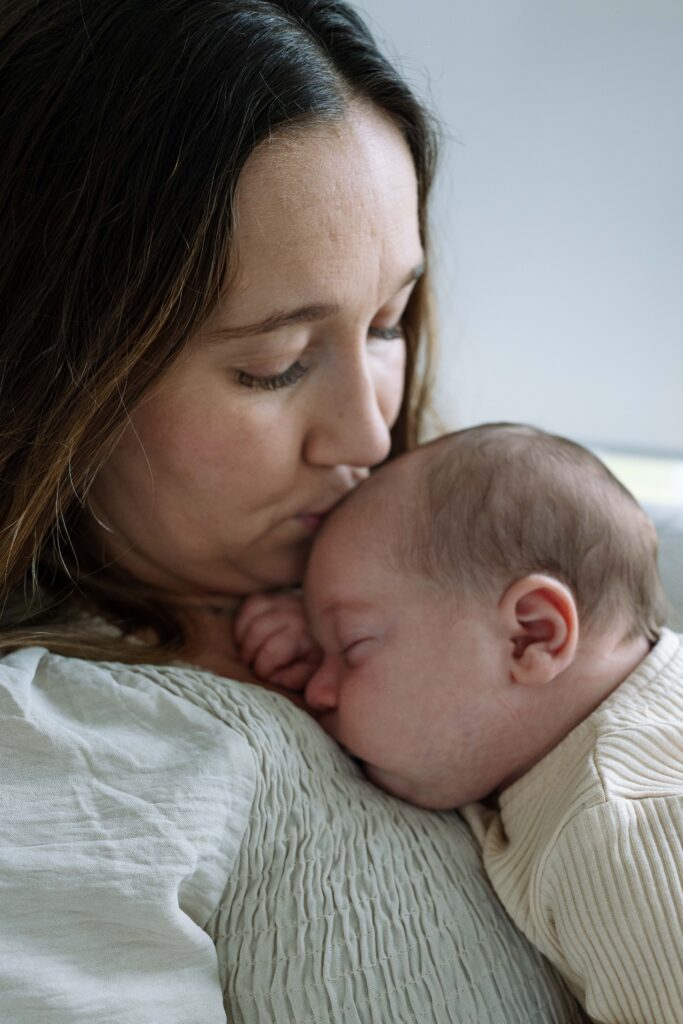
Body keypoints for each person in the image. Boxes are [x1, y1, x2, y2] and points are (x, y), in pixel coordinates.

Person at [0, 3, 587, 1022]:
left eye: (388, 322)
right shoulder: (62, 751)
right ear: (61, 378)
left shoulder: (513, 569)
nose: (366, 433)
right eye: (272, 366)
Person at [238, 422, 681, 1024]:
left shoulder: (619, 827)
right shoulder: (564, 746)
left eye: (353, 643)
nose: (318, 690)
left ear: (531, 635)